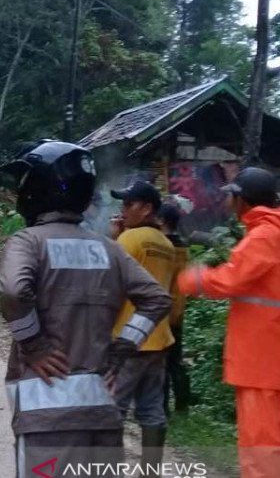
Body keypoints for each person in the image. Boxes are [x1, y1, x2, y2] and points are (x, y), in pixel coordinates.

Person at [0, 140, 171, 478]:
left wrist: (33, 344)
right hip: (101, 411)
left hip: (46, 416)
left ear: (35, 188)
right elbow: (157, 299)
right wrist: (122, 349)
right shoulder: (109, 248)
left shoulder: (29, 241)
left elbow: (13, 290)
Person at [177, 167, 280, 478]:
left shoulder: (262, 237)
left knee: (263, 446)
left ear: (242, 200)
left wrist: (193, 279)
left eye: (230, 197)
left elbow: (230, 280)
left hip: (263, 363)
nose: (227, 203)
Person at [109, 181, 176, 474]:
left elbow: (111, 286)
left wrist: (115, 240)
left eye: (128, 204)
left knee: (113, 409)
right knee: (151, 410)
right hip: (159, 338)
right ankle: (151, 470)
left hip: (129, 337)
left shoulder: (130, 239)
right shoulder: (166, 244)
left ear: (146, 208)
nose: (122, 211)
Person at [157, 203, 193, 415]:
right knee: (176, 361)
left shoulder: (163, 247)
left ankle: (162, 408)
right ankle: (182, 404)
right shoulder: (183, 245)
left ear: (161, 221)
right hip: (178, 309)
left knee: (161, 363)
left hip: (162, 311)